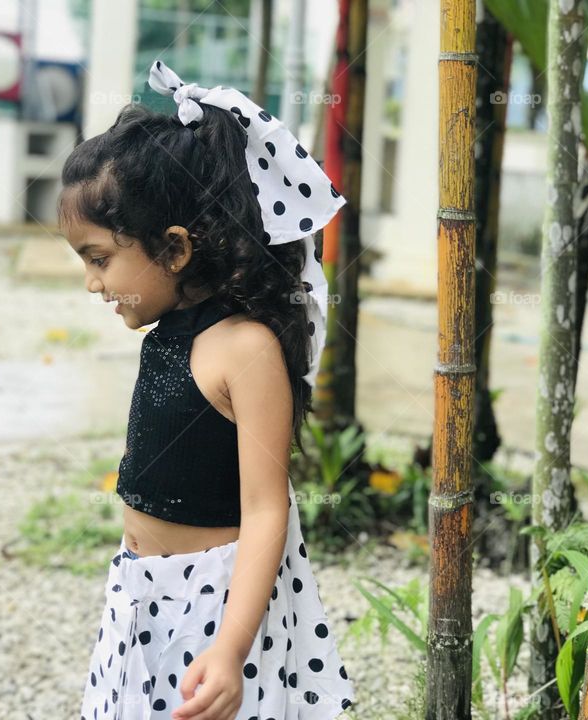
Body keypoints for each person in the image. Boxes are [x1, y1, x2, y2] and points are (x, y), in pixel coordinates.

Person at [58, 59, 357, 720]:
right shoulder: (166, 333)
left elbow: (266, 510)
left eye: (99, 259)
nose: (93, 284)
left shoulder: (245, 351)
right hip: (140, 592)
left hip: (214, 605)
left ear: (175, 248)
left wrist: (230, 650)